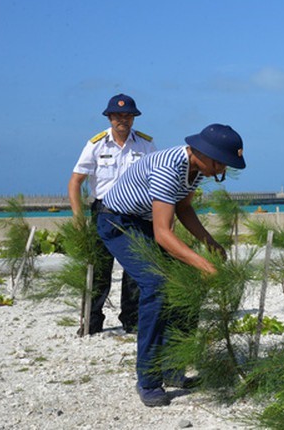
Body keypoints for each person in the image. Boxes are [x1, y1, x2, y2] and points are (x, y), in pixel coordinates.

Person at [97, 124, 246, 407]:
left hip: (145, 223)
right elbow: (164, 235)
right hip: (118, 222)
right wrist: (205, 265)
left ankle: (173, 368)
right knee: (156, 286)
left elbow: (184, 207)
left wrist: (209, 243)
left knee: (187, 282)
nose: (222, 169)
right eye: (220, 162)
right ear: (203, 153)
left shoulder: (197, 169)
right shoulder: (169, 167)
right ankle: (149, 379)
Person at [68, 93, 156, 335]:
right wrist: (78, 217)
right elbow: (75, 182)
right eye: (117, 115)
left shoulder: (146, 145)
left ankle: (133, 321)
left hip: (136, 214)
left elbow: (156, 180)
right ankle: (91, 323)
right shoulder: (96, 144)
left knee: (135, 270)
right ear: (109, 117)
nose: (122, 120)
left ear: (134, 118)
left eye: (127, 115)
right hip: (104, 213)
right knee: (99, 270)